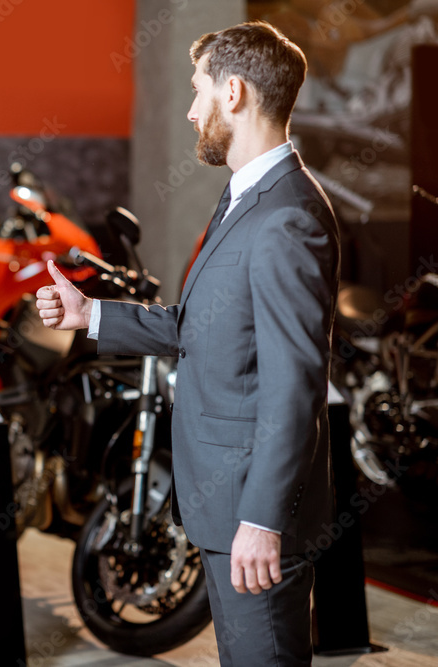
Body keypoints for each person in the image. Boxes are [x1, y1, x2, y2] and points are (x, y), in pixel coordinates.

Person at [36, 22, 339, 666]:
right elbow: (197, 326)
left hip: (253, 518)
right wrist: (91, 313)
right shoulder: (246, 196)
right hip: (226, 509)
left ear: (234, 93)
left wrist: (262, 519)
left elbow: (295, 390)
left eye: (198, 91)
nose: (191, 110)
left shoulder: (285, 217)